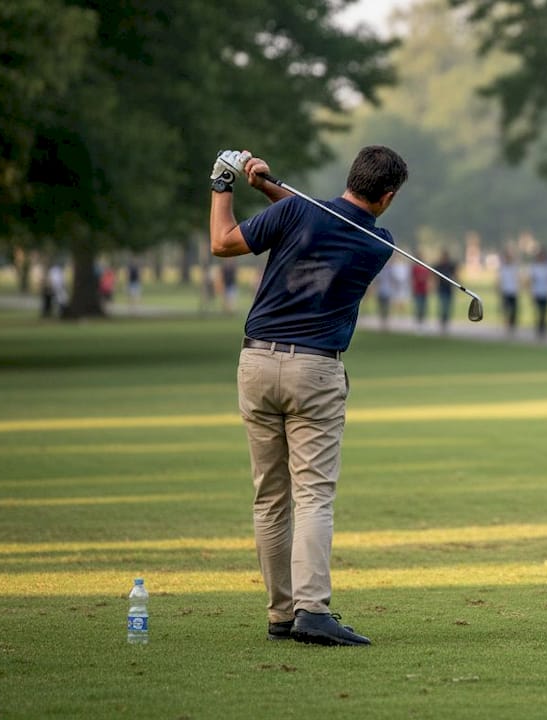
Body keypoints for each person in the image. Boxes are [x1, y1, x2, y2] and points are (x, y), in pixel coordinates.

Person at [208, 145, 409, 647]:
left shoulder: (297, 211)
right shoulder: (378, 243)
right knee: (314, 494)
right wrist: (269, 188)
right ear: (387, 196)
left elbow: (223, 242)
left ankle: (281, 615)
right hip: (316, 371)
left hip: (256, 364)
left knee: (270, 497)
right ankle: (312, 612)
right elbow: (321, 219)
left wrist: (222, 185)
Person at [529, 247, 547, 340]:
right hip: (537, 292)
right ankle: (538, 328)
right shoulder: (534, 267)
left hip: (545, 292)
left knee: (544, 311)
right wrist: (532, 292)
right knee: (538, 311)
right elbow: (532, 280)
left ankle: (543, 327)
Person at [433, 249, 458, 334]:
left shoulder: (451, 266)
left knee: (447, 307)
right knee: (443, 306)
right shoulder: (439, 266)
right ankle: (442, 324)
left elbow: (455, 275)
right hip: (441, 289)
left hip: (449, 289)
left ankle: (446, 324)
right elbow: (434, 276)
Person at [498, 247, 521, 337]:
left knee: (514, 310)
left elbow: (518, 278)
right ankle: (507, 325)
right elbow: (500, 280)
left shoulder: (514, 267)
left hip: (513, 291)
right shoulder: (503, 268)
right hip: (505, 291)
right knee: (506, 309)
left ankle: (512, 325)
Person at [373, 257, 397, 331]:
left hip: (386, 291)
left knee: (385, 307)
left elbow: (392, 280)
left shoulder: (388, 270)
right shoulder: (382, 270)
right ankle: (383, 323)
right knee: (383, 307)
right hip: (382, 291)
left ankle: (384, 323)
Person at [411, 252, 430, 331]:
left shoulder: (425, 267)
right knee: (418, 307)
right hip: (417, 290)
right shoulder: (414, 268)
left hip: (424, 290)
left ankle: (422, 323)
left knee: (424, 307)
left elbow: (428, 278)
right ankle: (419, 323)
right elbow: (413, 278)